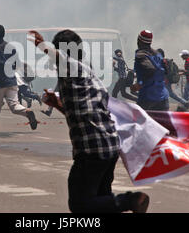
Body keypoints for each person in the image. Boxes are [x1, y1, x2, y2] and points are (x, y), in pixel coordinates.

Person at [29, 29, 149, 213]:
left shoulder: (74, 68)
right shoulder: (85, 75)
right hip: (108, 147)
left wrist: (41, 44)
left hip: (92, 148)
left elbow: (61, 58)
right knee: (101, 201)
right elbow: (84, 111)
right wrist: (57, 103)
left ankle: (130, 201)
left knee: (80, 204)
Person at [0, 25, 38, 144]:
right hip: (11, 81)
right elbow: (16, 64)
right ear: (4, 34)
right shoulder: (11, 47)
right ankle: (27, 112)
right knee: (14, 106)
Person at [130, 30, 169, 111]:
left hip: (148, 97)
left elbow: (150, 70)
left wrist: (139, 84)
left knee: (139, 122)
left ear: (139, 40)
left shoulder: (141, 55)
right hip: (163, 96)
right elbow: (166, 71)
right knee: (161, 123)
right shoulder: (158, 54)